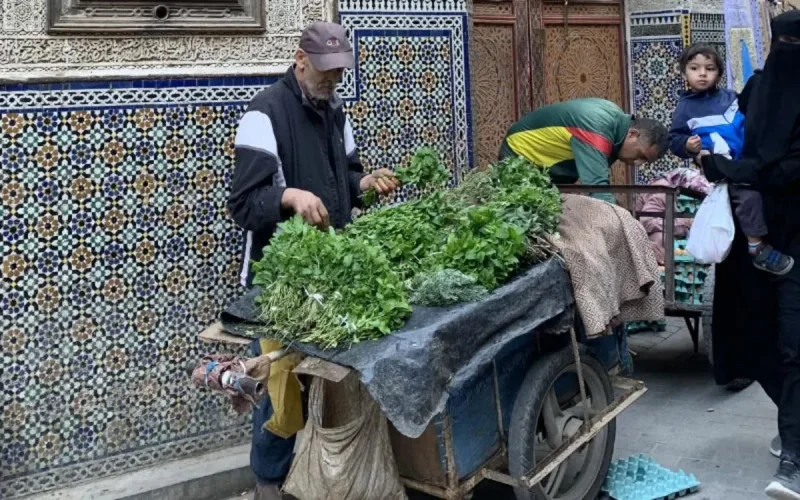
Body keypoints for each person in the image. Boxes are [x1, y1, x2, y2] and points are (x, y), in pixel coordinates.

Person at [226, 21, 400, 500]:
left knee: (326, 382)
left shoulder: (335, 111)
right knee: (277, 386)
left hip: (330, 273)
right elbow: (243, 205)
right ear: (300, 59)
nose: (331, 82)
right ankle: (268, 484)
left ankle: (319, 479)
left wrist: (364, 186)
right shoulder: (265, 113)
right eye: (324, 72)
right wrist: (289, 196)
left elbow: (346, 180)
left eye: (338, 74)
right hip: (279, 280)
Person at [697, 11, 800, 499]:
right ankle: (792, 417)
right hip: (755, 239)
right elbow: (744, 143)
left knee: (794, 344)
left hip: (798, 239)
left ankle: (795, 460)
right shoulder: (759, 88)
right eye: (784, 44)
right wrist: (723, 162)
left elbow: (783, 170)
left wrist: (730, 169)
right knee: (755, 338)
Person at [669, 42, 794, 275]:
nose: (703, 74)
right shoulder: (685, 108)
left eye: (710, 68)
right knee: (747, 197)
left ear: (719, 73)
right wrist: (687, 145)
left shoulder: (731, 98)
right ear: (684, 72)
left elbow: (751, 120)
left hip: (744, 161)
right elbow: (674, 139)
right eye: (695, 68)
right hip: (717, 165)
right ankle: (757, 247)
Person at [498, 97, 669, 204]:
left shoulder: (615, 120)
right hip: (519, 156)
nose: (638, 163)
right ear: (633, 134)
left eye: (645, 162)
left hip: (547, 170)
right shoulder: (597, 128)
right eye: (641, 156)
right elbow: (598, 190)